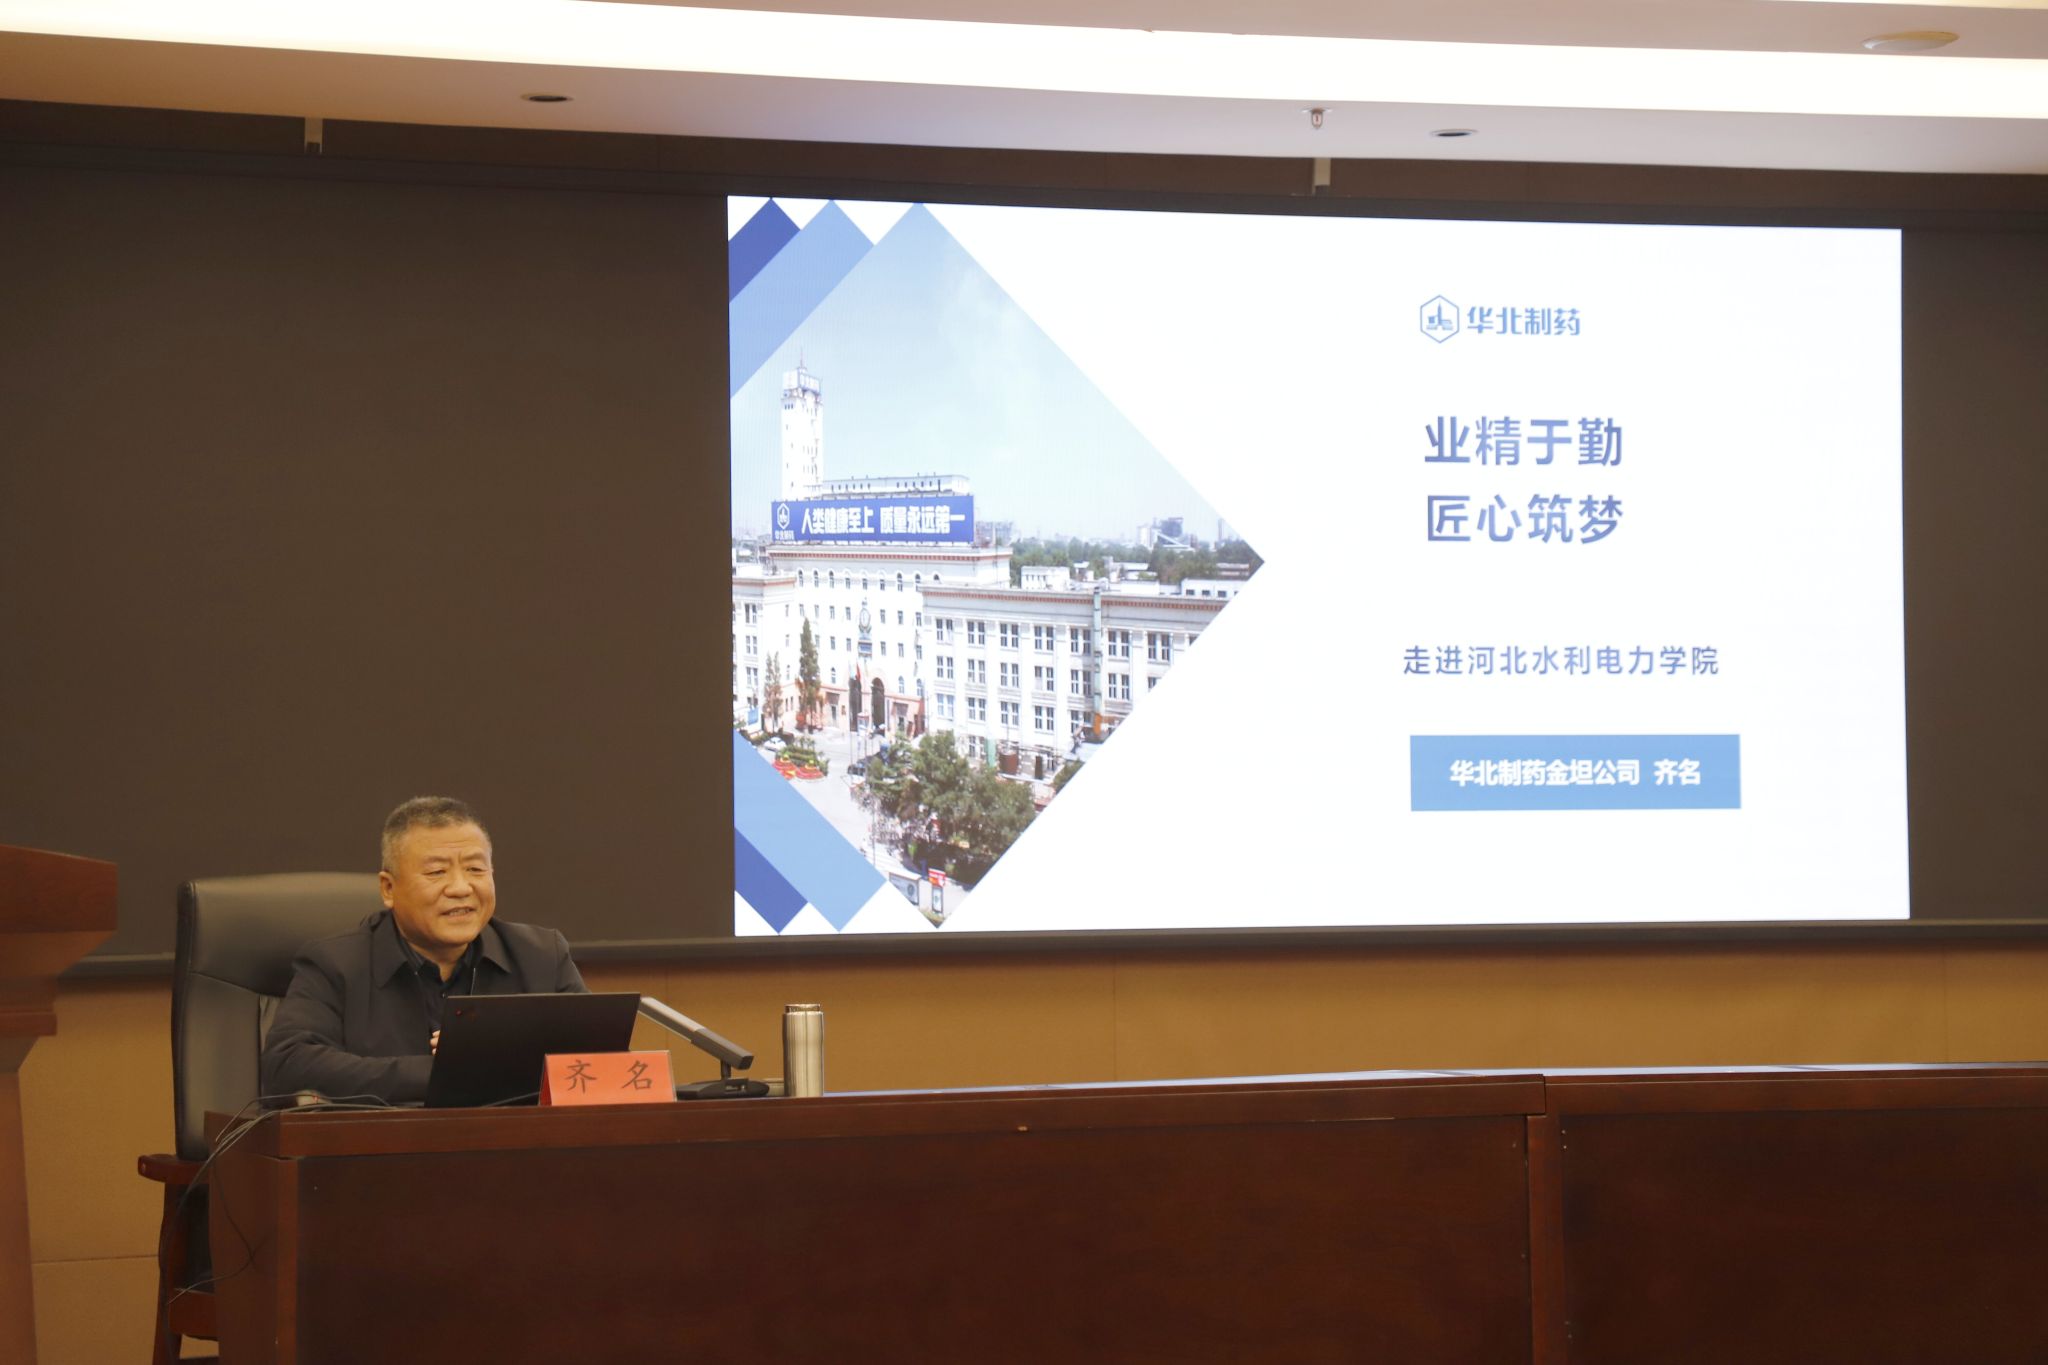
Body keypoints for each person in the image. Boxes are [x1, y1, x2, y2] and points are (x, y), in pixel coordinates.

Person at [261, 795, 587, 1103]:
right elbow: (288, 1065)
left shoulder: (541, 957)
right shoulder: (335, 964)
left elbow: (597, 1060)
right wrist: (440, 1071)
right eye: (436, 872)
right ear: (388, 889)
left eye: (475, 869)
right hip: (386, 1141)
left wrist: (495, 1058)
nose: (461, 888)